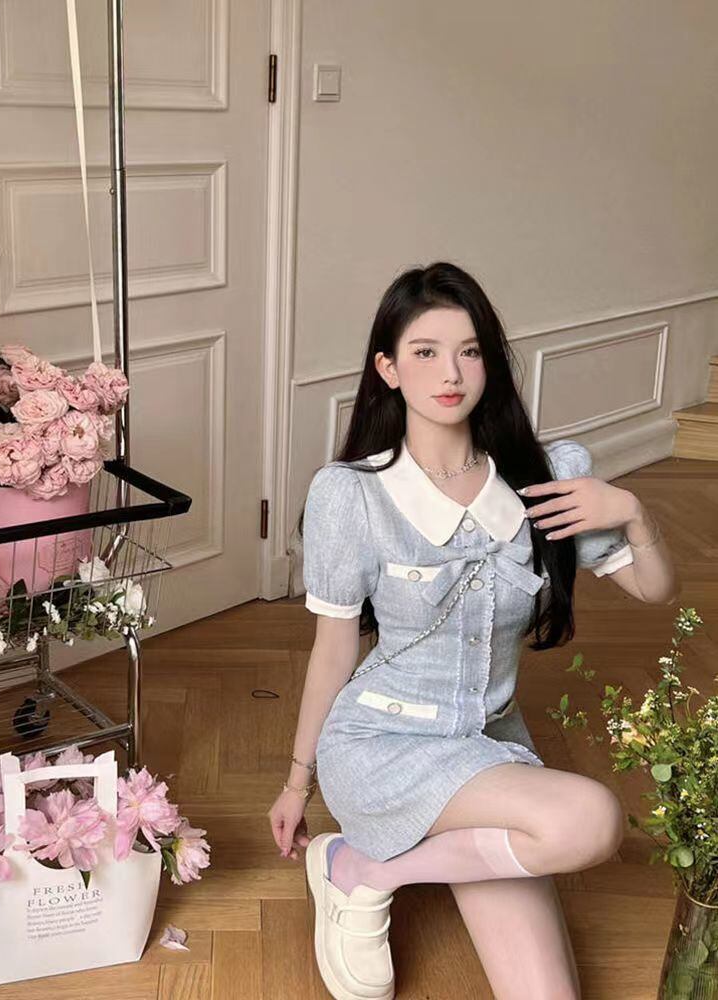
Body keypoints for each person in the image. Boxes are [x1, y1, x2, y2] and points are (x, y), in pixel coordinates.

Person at [267, 261, 678, 1000]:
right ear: (388, 368)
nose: (450, 373)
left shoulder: (545, 477)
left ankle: (359, 867)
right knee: (589, 821)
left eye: (469, 351)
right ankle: (362, 865)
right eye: (424, 352)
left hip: (488, 751)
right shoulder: (351, 494)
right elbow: (333, 652)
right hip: (381, 746)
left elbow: (655, 589)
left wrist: (633, 513)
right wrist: (299, 781)